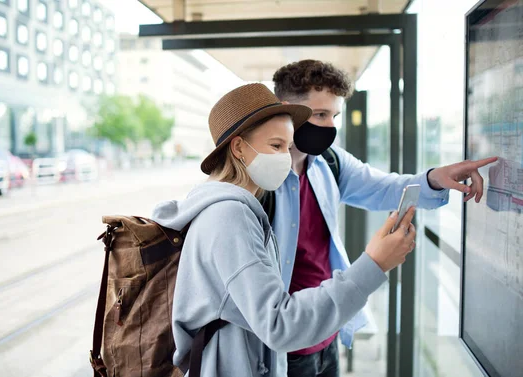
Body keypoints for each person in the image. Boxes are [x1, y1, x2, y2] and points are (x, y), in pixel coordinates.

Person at [152, 83, 418, 377]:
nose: (285, 158)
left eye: (288, 147)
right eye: (276, 146)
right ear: (239, 147)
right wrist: (374, 264)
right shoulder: (229, 216)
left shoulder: (232, 208)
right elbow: (279, 323)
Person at [270, 59, 498, 377]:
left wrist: (435, 177)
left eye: (334, 116)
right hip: (281, 348)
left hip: (327, 332)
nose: (329, 126)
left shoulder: (329, 163)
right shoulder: (257, 181)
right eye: (320, 114)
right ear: (284, 111)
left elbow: (382, 187)